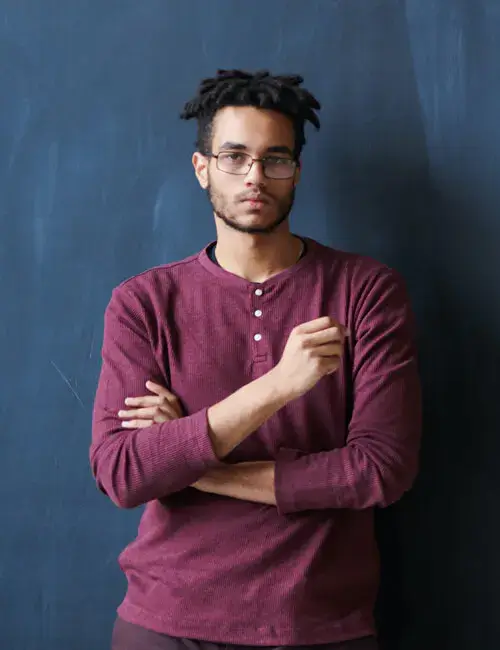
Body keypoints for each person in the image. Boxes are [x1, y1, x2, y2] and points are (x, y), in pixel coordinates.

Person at [90, 69, 422, 650]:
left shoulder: (366, 291)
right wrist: (279, 385)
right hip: (166, 624)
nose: (255, 176)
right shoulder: (143, 302)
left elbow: (379, 470)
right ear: (202, 168)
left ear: (297, 170)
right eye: (235, 157)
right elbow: (122, 473)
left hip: (318, 626)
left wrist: (193, 462)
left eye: (276, 159)